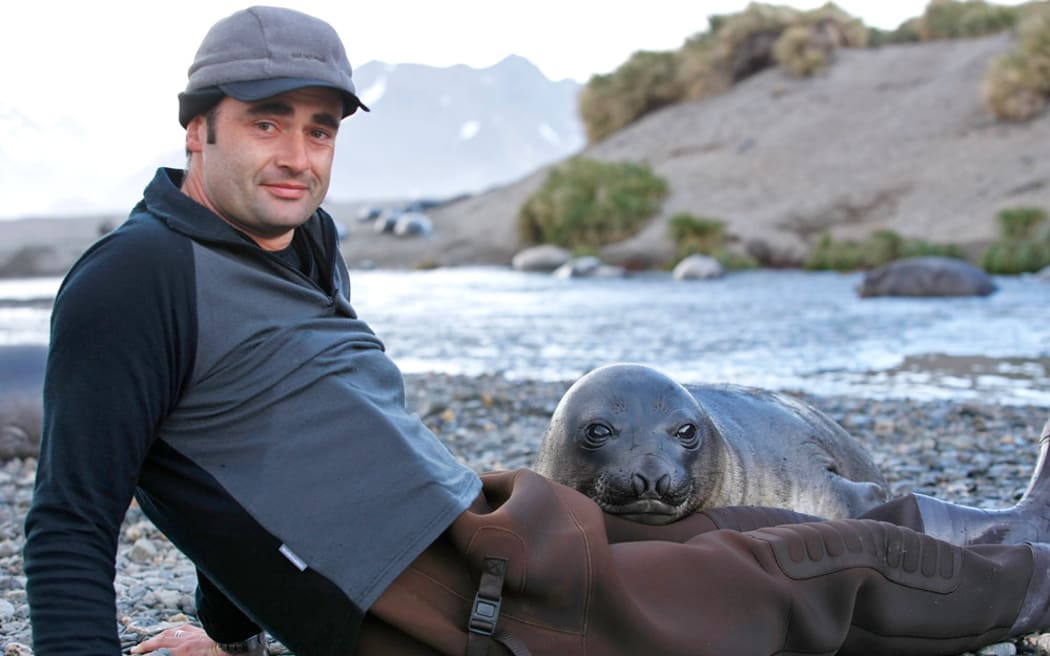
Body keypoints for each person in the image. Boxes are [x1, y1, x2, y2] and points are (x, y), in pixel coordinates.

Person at [21, 5, 1050, 656]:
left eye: (319, 128)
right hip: (493, 615)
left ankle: (1030, 522)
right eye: (265, 122)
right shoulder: (133, 281)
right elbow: (70, 520)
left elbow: (257, 457)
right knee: (831, 565)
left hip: (507, 526)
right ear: (196, 127)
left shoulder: (301, 240)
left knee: (788, 519)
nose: (298, 155)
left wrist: (233, 633)